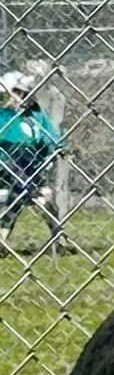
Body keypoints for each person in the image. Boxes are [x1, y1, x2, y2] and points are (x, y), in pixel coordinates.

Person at [0, 70, 65, 252]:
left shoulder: (35, 116)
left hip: (29, 171)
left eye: (26, 93)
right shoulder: (3, 115)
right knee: (23, 177)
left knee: (30, 188)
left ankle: (56, 240)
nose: (23, 97)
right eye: (18, 92)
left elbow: (51, 138)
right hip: (5, 168)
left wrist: (59, 147)